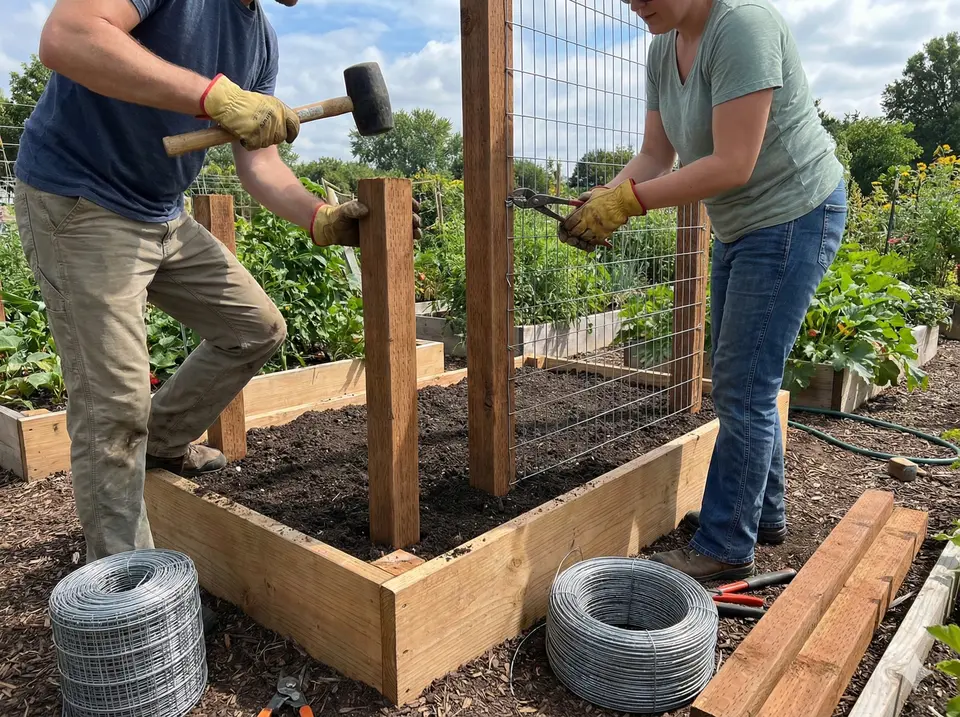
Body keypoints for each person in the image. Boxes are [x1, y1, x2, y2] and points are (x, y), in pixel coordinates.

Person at [13, 0, 419, 576]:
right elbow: (68, 35)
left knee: (254, 329)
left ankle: (160, 444)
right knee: (114, 407)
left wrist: (320, 218)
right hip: (79, 201)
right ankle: (126, 590)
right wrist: (212, 96)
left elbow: (261, 166)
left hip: (160, 213)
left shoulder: (261, 42)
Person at [560, 0, 847, 581]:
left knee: (742, 384)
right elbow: (654, 155)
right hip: (741, 225)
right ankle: (762, 516)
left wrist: (631, 202)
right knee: (743, 376)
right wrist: (605, 200)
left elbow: (733, 164)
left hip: (793, 215)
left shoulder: (742, 26)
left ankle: (723, 548)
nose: (635, 5)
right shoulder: (663, 46)